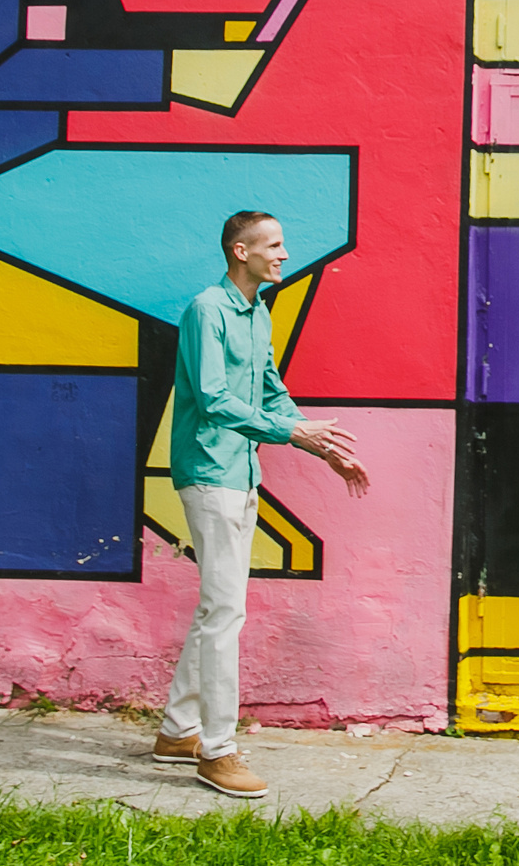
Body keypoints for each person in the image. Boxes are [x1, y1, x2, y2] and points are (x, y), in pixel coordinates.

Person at [151, 210, 370, 798]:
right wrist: (295, 435)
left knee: (216, 608)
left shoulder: (257, 313)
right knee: (226, 613)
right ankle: (217, 751)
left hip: (241, 469)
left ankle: (177, 731)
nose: (283, 254)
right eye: (272, 245)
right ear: (239, 251)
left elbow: (270, 388)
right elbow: (214, 398)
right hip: (209, 472)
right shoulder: (207, 311)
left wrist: (319, 445)